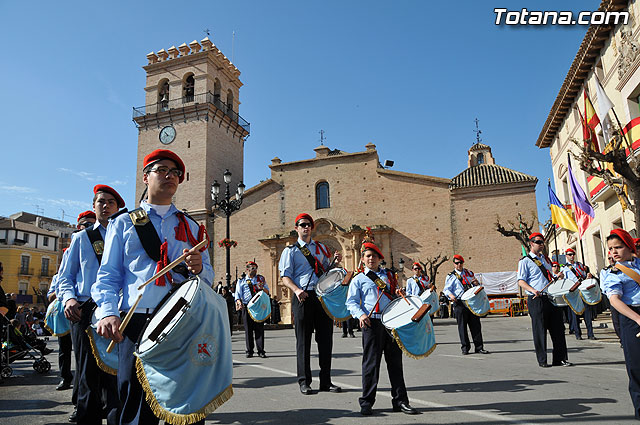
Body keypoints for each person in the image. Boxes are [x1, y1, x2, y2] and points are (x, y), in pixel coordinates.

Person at [92, 149, 213, 425]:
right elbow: (108, 276)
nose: (170, 176)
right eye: (162, 170)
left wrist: (199, 268)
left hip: (180, 321)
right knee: (135, 406)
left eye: (176, 173)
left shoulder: (192, 227)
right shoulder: (123, 222)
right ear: (146, 177)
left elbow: (208, 278)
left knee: (185, 405)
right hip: (136, 321)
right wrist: (109, 312)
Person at [58, 186, 124, 425]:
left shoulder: (125, 235)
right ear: (94, 206)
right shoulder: (81, 238)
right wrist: (69, 298)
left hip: (118, 310)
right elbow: (65, 276)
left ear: (117, 208)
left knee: (117, 374)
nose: (105, 206)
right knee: (87, 375)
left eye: (110, 202)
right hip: (85, 310)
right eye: (100, 202)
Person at [346, 242, 418, 416]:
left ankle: (400, 401)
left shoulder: (390, 276)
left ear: (380, 258)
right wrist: (361, 315)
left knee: (395, 364)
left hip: (391, 324)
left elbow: (394, 297)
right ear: (362, 259)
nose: (371, 259)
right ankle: (367, 401)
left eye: (374, 256)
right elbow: (351, 302)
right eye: (368, 256)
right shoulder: (359, 278)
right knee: (371, 365)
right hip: (372, 323)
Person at [278, 213, 342, 395]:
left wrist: (334, 263)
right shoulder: (290, 251)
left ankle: (326, 381)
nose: (306, 227)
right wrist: (297, 290)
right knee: (303, 342)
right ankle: (304, 381)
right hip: (303, 297)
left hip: (321, 297)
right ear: (296, 228)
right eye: (302, 224)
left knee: (325, 340)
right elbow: (285, 277)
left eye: (308, 225)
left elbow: (326, 274)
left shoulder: (321, 248)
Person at [517, 232, 571, 367]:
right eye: (539, 242)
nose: (542, 245)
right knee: (540, 330)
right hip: (537, 298)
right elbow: (521, 281)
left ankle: (560, 358)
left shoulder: (546, 260)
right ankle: (542, 360)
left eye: (543, 242)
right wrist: (532, 289)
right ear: (531, 243)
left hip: (551, 297)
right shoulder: (526, 261)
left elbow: (549, 277)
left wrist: (557, 276)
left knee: (558, 329)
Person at [602, 228, 640, 419]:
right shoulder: (614, 273)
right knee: (637, 368)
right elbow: (615, 301)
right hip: (631, 317)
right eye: (610, 249)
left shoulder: (639, 264)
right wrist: (637, 319)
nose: (614, 252)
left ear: (629, 246)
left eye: (618, 247)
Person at [443, 255, 489, 355]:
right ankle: (465, 347)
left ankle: (479, 347)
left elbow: (475, 286)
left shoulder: (469, 273)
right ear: (454, 264)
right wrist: (451, 295)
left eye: (461, 262)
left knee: (476, 325)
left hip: (471, 302)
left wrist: (476, 283)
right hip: (459, 302)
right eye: (456, 263)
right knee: (462, 326)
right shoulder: (451, 276)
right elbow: (446, 289)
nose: (459, 265)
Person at [235, 261, 269, 358]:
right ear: (247, 269)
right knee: (248, 330)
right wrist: (239, 302)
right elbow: (238, 293)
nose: (254, 270)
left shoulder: (260, 279)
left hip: (258, 307)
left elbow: (267, 291)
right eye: (252, 268)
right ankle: (249, 350)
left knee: (259, 329)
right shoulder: (241, 280)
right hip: (247, 306)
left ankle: (261, 350)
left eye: (255, 268)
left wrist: (262, 288)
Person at [561, 248, 595, 340]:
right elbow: (565, 281)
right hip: (573, 292)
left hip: (583, 291)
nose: (571, 256)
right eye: (569, 254)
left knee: (587, 313)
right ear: (566, 256)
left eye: (573, 254)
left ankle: (590, 334)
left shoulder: (579, 265)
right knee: (575, 313)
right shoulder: (564, 268)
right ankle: (578, 334)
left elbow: (584, 275)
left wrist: (588, 276)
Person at [601, 254, 621, 343]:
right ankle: (621, 338)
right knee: (616, 320)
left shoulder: (624, 268)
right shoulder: (605, 271)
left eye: (612, 257)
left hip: (626, 298)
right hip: (613, 297)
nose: (611, 260)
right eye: (609, 258)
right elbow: (603, 286)